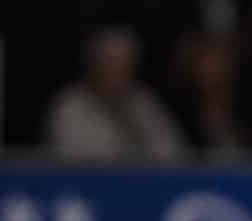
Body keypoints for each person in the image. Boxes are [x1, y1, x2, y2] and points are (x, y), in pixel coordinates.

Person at [45, 27, 185, 162]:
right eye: (109, 63)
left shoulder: (144, 102)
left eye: (125, 65)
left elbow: (172, 152)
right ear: (94, 66)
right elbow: (67, 157)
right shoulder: (69, 106)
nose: (117, 74)